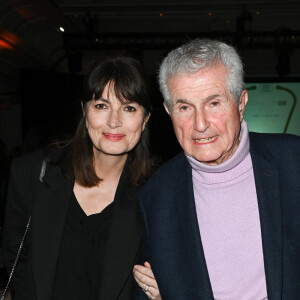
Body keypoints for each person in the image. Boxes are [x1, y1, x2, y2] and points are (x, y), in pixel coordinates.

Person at [133, 39, 300, 299]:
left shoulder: (293, 162)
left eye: (214, 103)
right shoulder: (156, 195)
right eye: (185, 107)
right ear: (168, 111)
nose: (200, 124)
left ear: (241, 103)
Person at [3, 56, 160, 300]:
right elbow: (17, 264)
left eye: (129, 108)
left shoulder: (157, 195)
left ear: (146, 118)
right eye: (101, 106)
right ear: (84, 111)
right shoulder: (31, 175)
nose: (114, 122)